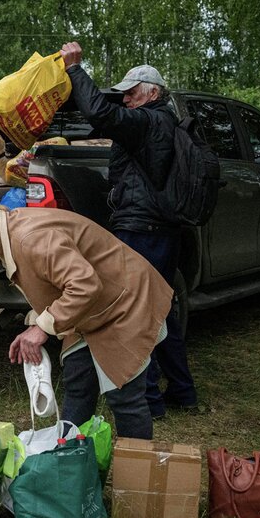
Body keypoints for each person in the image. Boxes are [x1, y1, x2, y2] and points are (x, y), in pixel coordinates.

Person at [0, 194, 172, 439]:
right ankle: (67, 460)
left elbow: (84, 285)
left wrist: (42, 328)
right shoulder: (12, 231)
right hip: (92, 311)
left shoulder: (31, 239)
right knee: (78, 381)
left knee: (124, 396)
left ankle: (139, 473)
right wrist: (35, 322)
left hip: (124, 301)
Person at [59, 41, 199, 417]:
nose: (126, 101)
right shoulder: (163, 122)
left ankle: (150, 402)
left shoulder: (149, 121)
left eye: (132, 93)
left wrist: (75, 69)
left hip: (142, 232)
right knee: (162, 310)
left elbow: (102, 115)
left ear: (152, 93)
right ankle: (182, 391)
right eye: (124, 95)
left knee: (137, 315)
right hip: (161, 230)